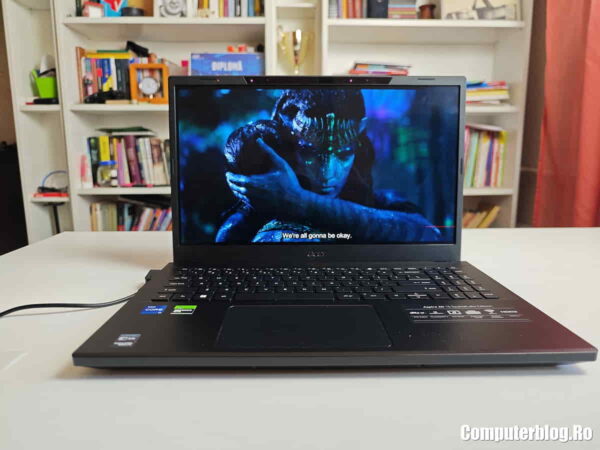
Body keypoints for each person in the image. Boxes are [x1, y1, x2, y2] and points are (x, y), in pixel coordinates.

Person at [215, 89, 440, 243]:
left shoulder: (382, 201)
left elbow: (430, 235)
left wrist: (302, 202)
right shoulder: (241, 226)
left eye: (343, 154)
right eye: (309, 153)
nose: (327, 173)